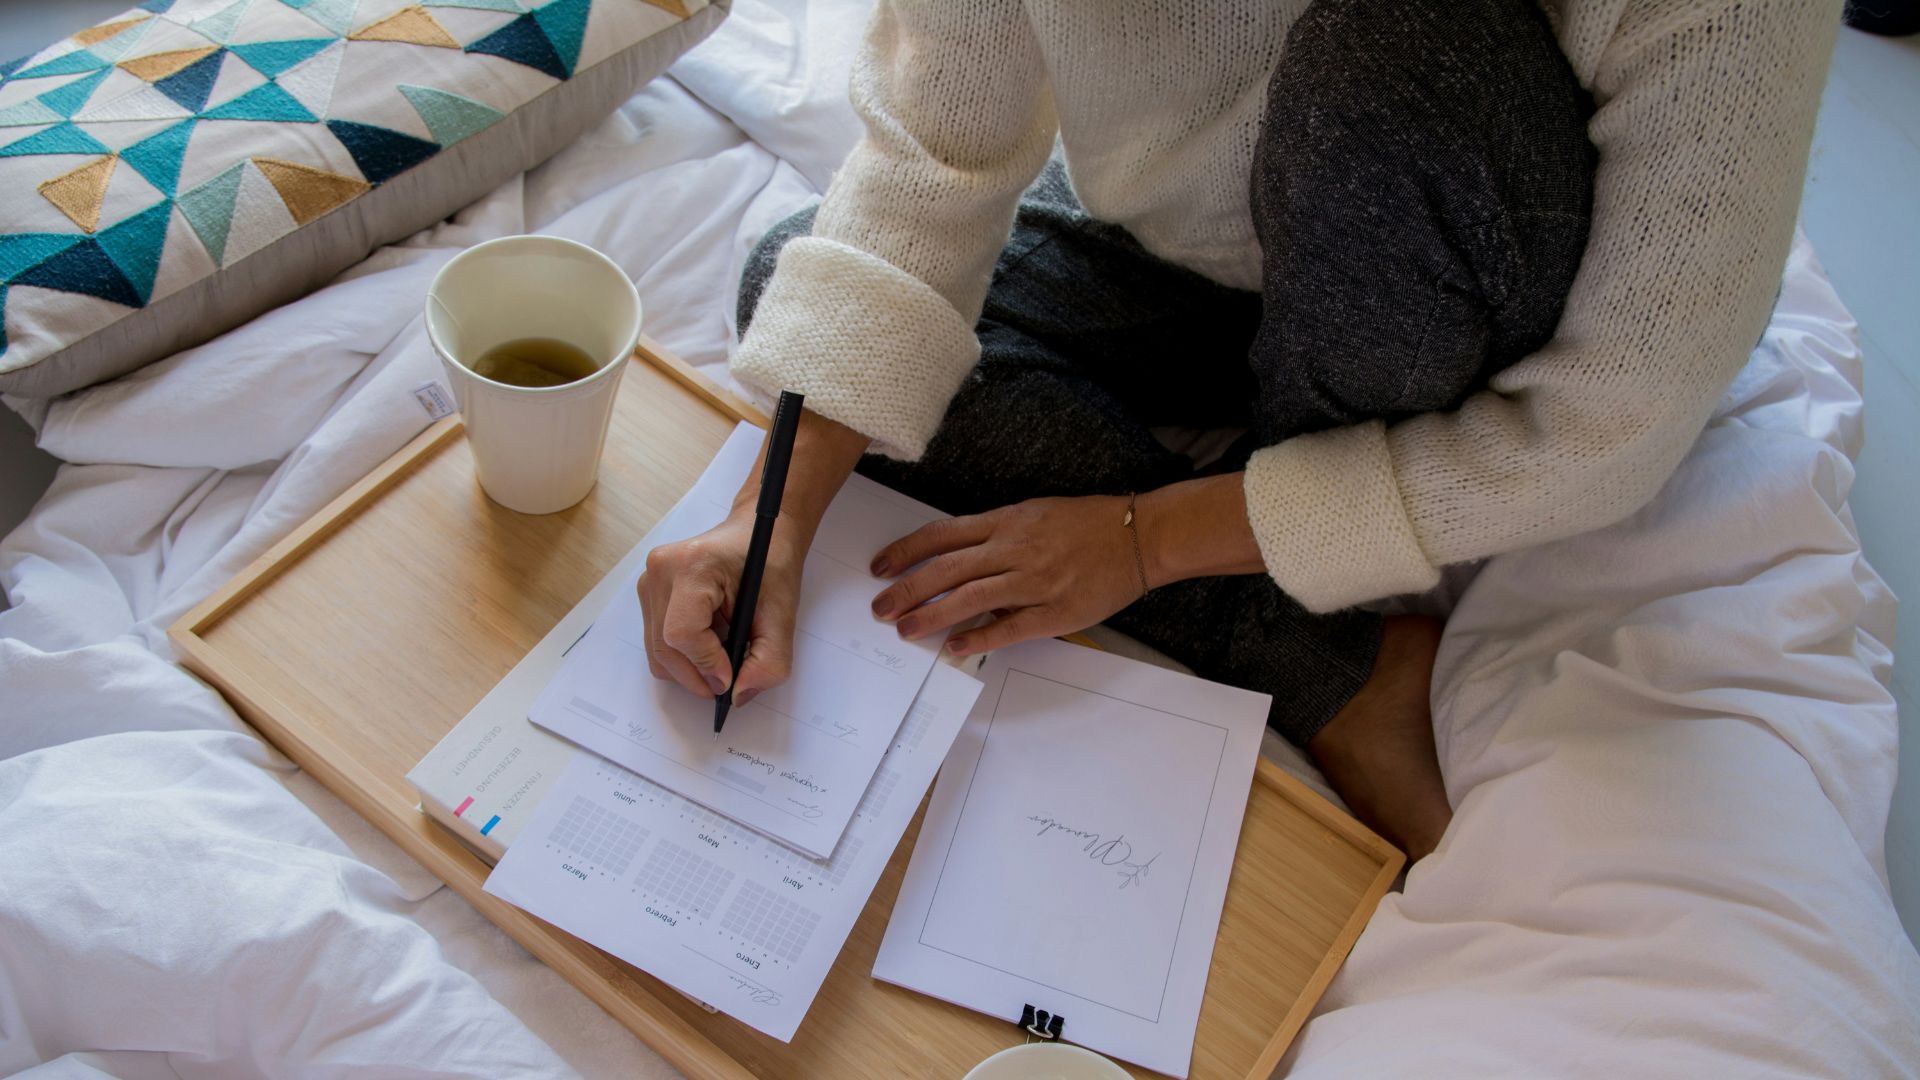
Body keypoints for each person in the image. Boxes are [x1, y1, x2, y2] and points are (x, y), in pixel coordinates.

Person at [636, 0, 1839, 861]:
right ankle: (1329, 662)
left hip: (1451, 280)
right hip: (1192, 259)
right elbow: (931, 165)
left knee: (1401, 52)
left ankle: (1325, 625)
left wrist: (1148, 539)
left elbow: (1612, 424)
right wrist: (774, 519)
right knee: (801, 285)